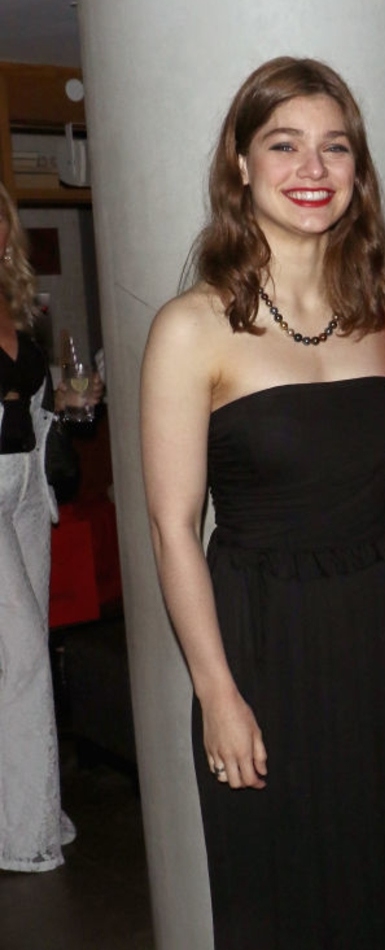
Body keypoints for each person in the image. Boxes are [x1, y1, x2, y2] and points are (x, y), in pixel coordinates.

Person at [140, 58, 385, 950]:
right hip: (262, 634)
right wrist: (216, 692)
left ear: (358, 171)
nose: (313, 169)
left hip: (383, 619)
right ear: (240, 164)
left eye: (334, 148)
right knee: (276, 889)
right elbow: (171, 529)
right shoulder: (191, 326)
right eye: (284, 145)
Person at [0, 181, 76, 871]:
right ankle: (24, 838)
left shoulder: (18, 310)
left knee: (26, 650)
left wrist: (71, 400)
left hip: (28, 485)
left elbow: (36, 400)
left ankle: (32, 805)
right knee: (20, 658)